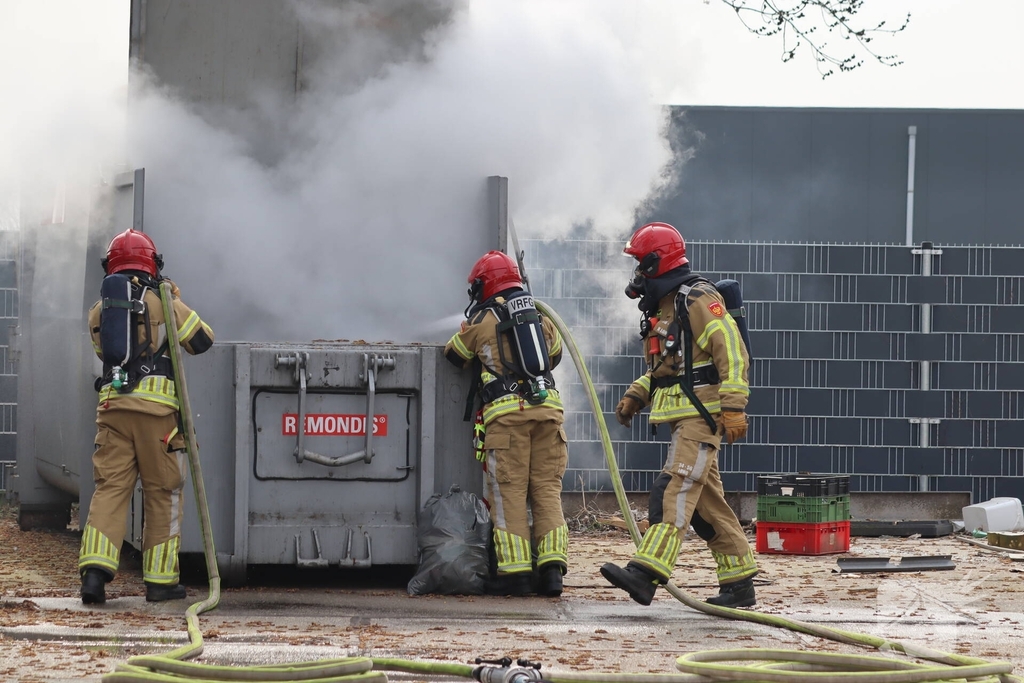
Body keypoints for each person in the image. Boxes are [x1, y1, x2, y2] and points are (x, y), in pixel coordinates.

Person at [600, 222, 757, 608]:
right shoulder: (667, 307)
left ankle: (646, 573)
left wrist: (734, 405)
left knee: (674, 490)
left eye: (640, 264)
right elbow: (671, 366)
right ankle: (739, 583)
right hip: (684, 416)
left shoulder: (697, 297)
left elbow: (732, 351)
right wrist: (639, 393)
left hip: (703, 414)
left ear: (657, 261)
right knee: (708, 507)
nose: (636, 275)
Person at [79, 229, 215, 604]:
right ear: (153, 264)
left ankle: (93, 575)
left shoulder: (98, 311)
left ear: (112, 266)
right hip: (157, 419)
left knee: (110, 490)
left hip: (113, 413)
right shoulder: (164, 302)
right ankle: (160, 582)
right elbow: (202, 340)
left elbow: (104, 350)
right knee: (163, 493)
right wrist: (173, 299)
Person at [444, 250, 569, 597]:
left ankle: (515, 575)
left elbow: (454, 354)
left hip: (508, 419)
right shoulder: (539, 317)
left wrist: (467, 332)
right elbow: (555, 353)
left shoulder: (483, 320)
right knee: (546, 491)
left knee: (508, 494)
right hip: (549, 414)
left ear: (485, 284)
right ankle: (552, 571)